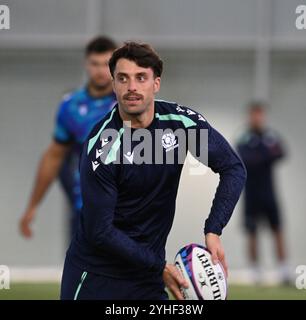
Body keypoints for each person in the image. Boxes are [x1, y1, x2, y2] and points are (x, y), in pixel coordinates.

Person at [60, 42, 247, 300]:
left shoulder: (180, 126)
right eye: (123, 79)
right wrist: (158, 267)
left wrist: (213, 229)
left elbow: (232, 168)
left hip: (147, 276)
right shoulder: (104, 147)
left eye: (141, 78)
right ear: (113, 84)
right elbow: (100, 232)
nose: (132, 87)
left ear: (156, 84)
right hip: (98, 276)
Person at [19, 36, 117, 240]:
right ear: (86, 64)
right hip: (87, 204)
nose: (100, 70)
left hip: (125, 204)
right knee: (82, 266)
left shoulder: (129, 101)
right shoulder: (71, 106)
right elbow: (54, 156)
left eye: (106, 64)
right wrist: (32, 206)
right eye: (95, 64)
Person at [237, 101, 289, 284]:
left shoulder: (270, 136)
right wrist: (265, 155)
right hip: (251, 193)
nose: (258, 118)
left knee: (277, 230)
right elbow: (244, 158)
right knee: (252, 232)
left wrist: (260, 156)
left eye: (260, 114)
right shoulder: (244, 138)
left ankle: (284, 271)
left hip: (269, 193)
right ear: (250, 116)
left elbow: (281, 152)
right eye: (254, 114)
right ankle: (254, 271)